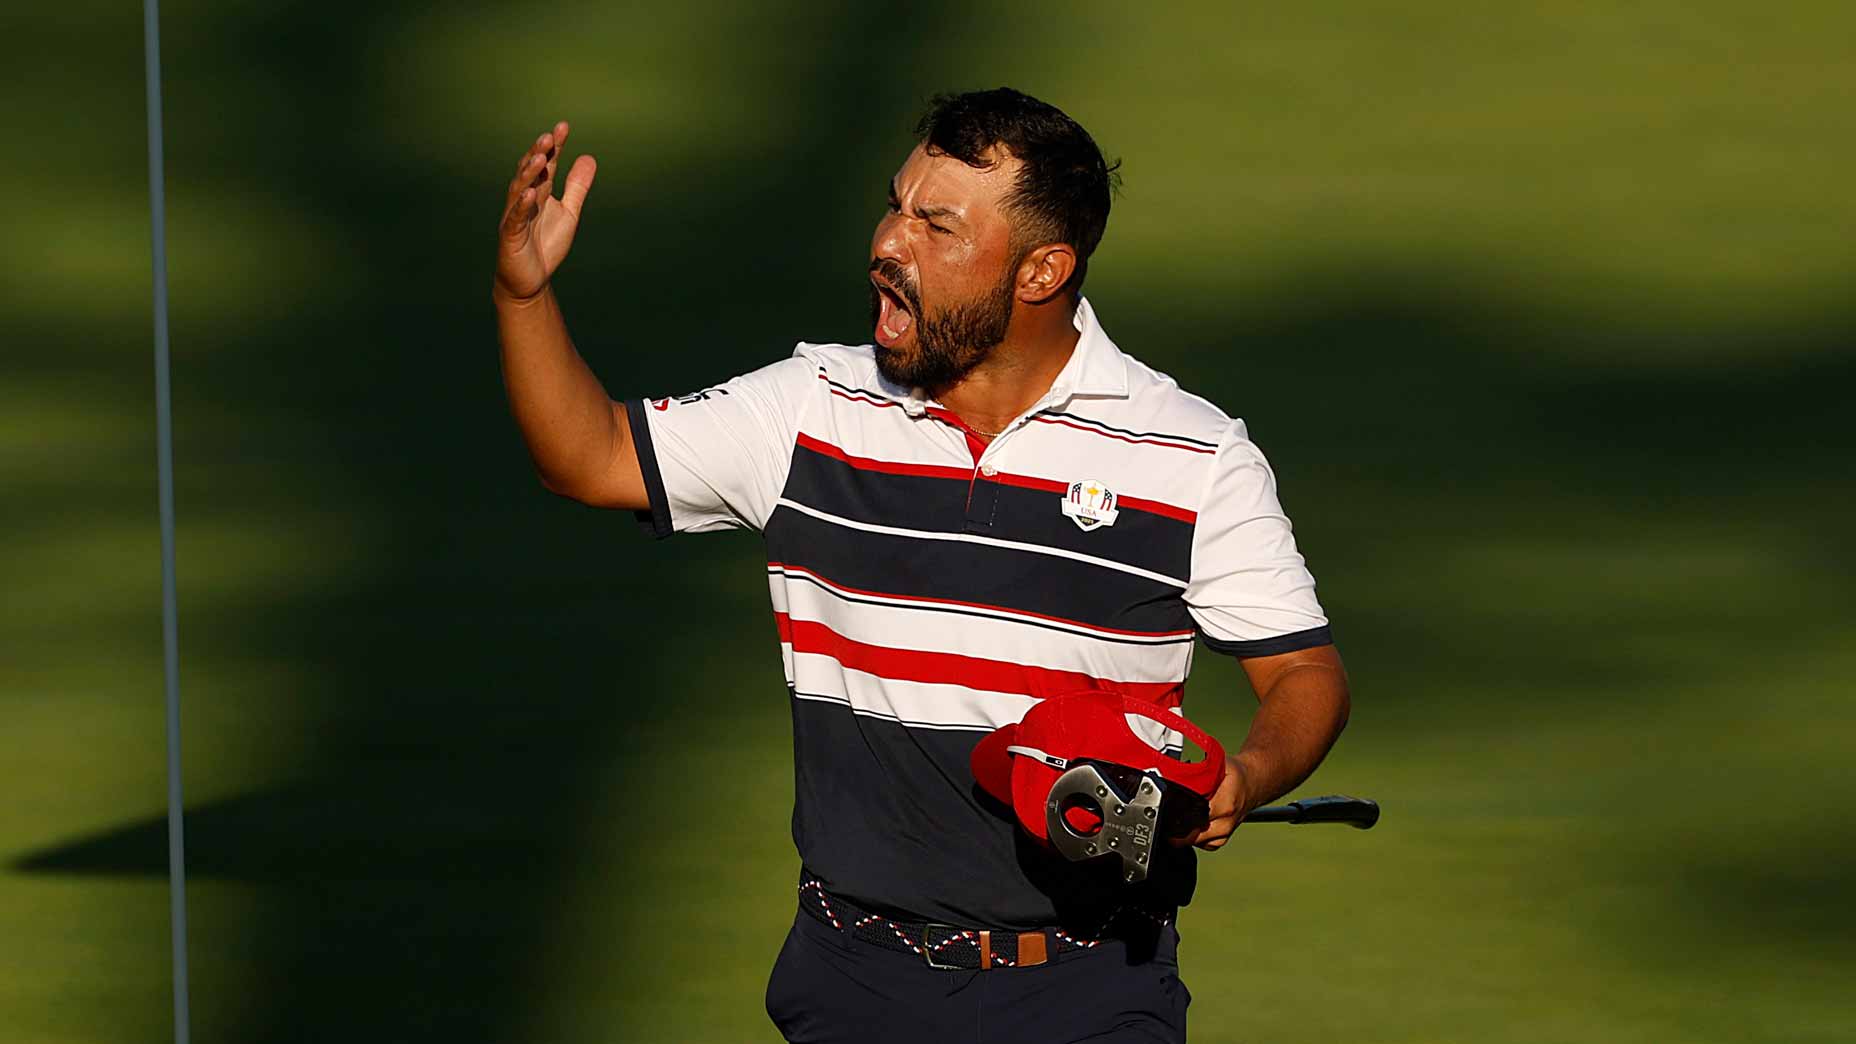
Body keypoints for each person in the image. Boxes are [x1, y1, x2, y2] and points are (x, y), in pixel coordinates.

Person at [493, 87, 1351, 1044]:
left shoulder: (1190, 454)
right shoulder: (812, 407)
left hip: (1089, 990)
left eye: (936, 224)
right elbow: (591, 457)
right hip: (856, 982)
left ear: (1042, 271)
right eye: (895, 205)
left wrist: (1247, 774)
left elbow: (1304, 674)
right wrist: (524, 296)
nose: (888, 244)